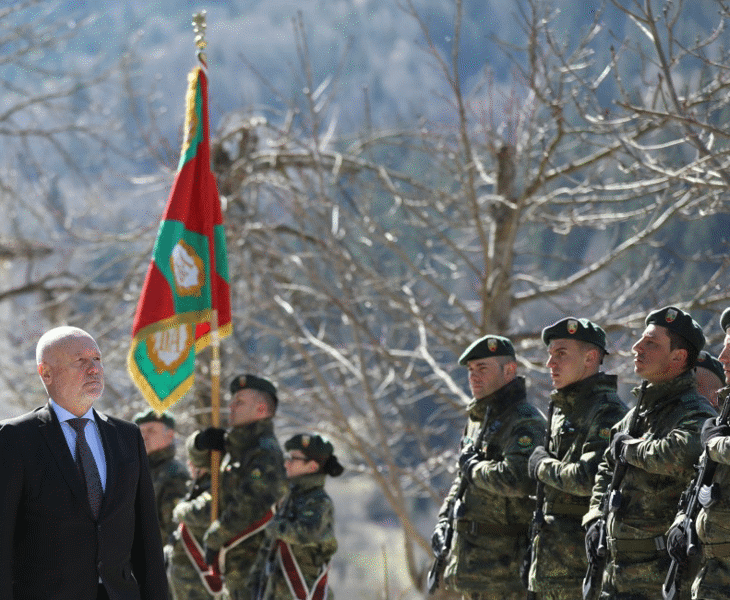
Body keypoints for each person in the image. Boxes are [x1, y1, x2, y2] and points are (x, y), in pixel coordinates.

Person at [0, 326, 169, 600]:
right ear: (46, 372)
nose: (94, 369)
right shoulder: (14, 439)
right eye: (81, 361)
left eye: (98, 359)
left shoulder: (126, 436)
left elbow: (147, 540)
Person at [583, 306, 716, 599]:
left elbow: (681, 452)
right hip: (616, 574)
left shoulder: (693, 411)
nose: (637, 347)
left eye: (651, 343)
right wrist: (594, 515)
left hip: (659, 577)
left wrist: (631, 449)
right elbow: (607, 464)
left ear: (679, 357)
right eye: (641, 340)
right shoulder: (638, 413)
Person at [431, 334, 546, 600]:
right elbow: (463, 478)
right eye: (471, 370)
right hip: (471, 566)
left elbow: (517, 479)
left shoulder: (524, 421)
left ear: (509, 370)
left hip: (505, 572)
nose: (473, 377)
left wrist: (474, 469)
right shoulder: (478, 419)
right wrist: (443, 520)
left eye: (482, 368)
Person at [526, 317, 628, 599]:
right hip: (550, 565)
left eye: (561, 354)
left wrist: (542, 466)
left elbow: (590, 478)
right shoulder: (564, 408)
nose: (550, 364)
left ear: (590, 358)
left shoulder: (607, 412)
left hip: (580, 569)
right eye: (550, 355)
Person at [189, 373, 288, 599]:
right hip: (235, 568)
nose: (230, 406)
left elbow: (249, 504)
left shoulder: (264, 452)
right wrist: (200, 442)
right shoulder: (235, 447)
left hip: (255, 568)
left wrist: (215, 536)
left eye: (240, 402)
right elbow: (198, 462)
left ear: (261, 410)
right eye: (232, 400)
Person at [666, 307, 730, 599]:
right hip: (711, 573)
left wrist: (715, 443)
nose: (724, 358)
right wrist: (684, 518)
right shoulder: (723, 416)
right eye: (724, 348)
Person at [249, 433, 343, 600]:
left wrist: (274, 526)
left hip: (301, 592)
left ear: (312, 466)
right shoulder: (291, 497)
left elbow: (303, 533)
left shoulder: (319, 502)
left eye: (293, 459)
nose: (286, 463)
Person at [166, 433, 217, 600]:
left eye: (193, 460)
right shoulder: (198, 486)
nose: (189, 464)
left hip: (201, 582)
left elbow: (200, 512)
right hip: (186, 582)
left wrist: (180, 509)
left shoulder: (215, 485)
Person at [133, 407, 189, 544]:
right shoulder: (137, 471)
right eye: (141, 432)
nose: (144, 436)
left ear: (169, 435)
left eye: (151, 431)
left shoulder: (175, 475)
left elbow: (174, 530)